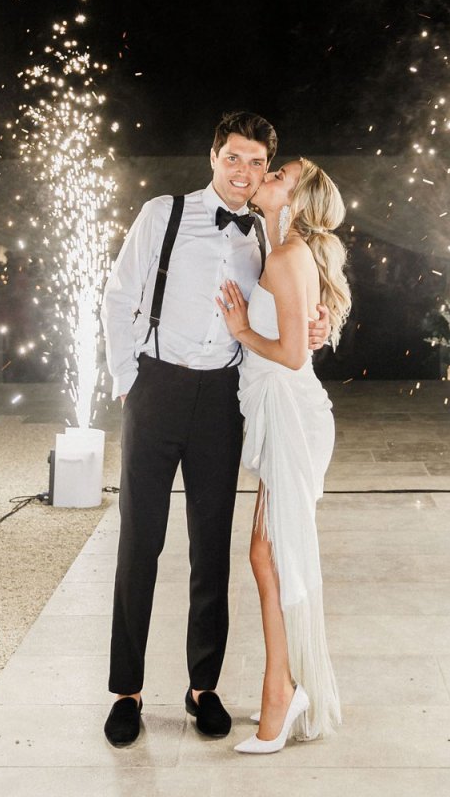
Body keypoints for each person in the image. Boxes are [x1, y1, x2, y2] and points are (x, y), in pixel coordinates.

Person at [100, 112, 330, 747]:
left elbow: (299, 302)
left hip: (223, 400)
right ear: (213, 157)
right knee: (138, 543)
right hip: (157, 387)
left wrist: (315, 328)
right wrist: (129, 378)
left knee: (212, 548)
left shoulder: (265, 232)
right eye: (234, 157)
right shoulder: (162, 214)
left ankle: (203, 688)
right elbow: (119, 297)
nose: (244, 172)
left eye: (257, 162)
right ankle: (127, 691)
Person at [218, 157, 351, 753]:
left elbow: (295, 355)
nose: (266, 177)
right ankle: (288, 684)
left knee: (271, 555)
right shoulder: (279, 245)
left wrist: (243, 330)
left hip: (294, 415)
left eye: (280, 176)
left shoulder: (287, 253)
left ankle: (283, 692)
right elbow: (304, 330)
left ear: (293, 201)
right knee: (270, 555)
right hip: (282, 413)